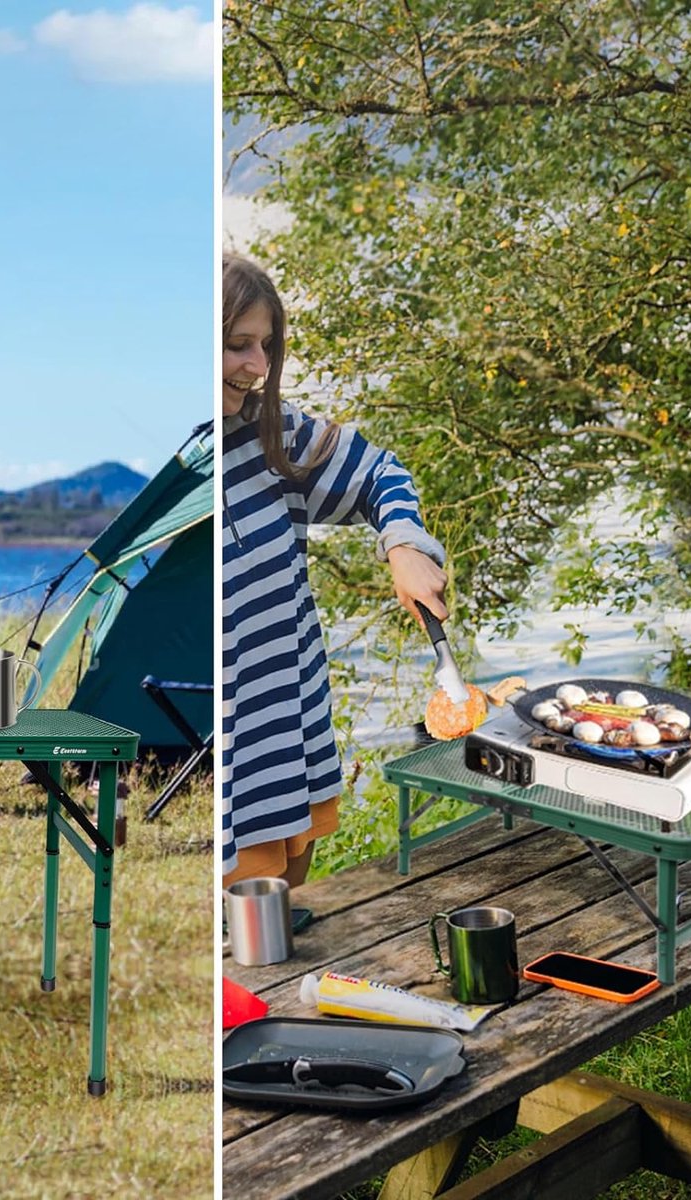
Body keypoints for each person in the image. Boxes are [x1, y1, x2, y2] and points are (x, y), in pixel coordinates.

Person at [222, 253, 448, 887]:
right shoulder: (185, 465)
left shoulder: (273, 437)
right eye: (239, 345)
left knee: (280, 946)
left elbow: (382, 474)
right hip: (229, 770)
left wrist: (403, 545)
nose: (257, 367)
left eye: (266, 347)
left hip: (289, 740)